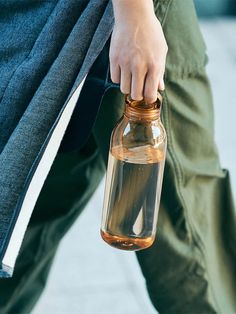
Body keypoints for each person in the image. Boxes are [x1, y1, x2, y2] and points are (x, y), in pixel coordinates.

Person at [0, 0, 235, 313]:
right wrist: (135, 14)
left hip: (50, 17)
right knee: (187, 224)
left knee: (33, 199)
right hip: (121, 15)